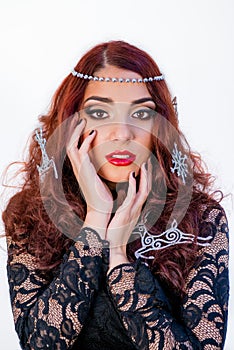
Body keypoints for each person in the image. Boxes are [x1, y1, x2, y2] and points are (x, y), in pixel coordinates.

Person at [2, 40, 229, 350]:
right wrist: (95, 221)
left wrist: (120, 257)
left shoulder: (200, 219)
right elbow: (39, 344)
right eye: (100, 112)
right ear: (72, 123)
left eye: (140, 115)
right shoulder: (29, 213)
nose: (122, 133)